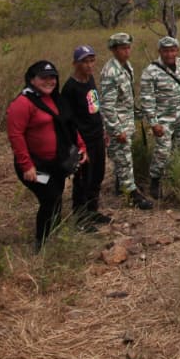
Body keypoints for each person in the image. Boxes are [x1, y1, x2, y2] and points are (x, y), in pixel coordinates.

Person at [7, 60, 88, 250]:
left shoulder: (55, 98)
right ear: (32, 80)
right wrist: (27, 166)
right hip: (35, 167)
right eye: (43, 77)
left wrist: (81, 146)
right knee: (50, 197)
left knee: (57, 195)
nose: (49, 81)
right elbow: (15, 135)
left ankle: (55, 234)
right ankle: (41, 243)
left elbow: (69, 126)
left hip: (56, 163)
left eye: (52, 77)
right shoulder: (23, 102)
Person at [140, 36, 180, 200]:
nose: (169, 54)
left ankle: (175, 178)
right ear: (160, 52)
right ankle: (155, 181)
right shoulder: (151, 71)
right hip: (163, 120)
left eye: (172, 50)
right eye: (165, 51)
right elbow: (147, 99)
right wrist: (153, 123)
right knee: (163, 152)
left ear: (177, 50)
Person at [100, 32, 152, 210]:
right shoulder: (110, 72)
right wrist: (116, 130)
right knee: (124, 159)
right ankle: (132, 195)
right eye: (123, 48)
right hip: (118, 123)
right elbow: (107, 105)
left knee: (123, 157)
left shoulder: (126, 66)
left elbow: (127, 95)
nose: (127, 51)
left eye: (128, 47)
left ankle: (121, 185)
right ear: (114, 50)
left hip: (127, 119)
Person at [61, 45, 111, 228]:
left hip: (97, 136)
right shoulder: (70, 88)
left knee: (98, 175)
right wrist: (77, 145)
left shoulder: (90, 80)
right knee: (83, 179)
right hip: (83, 140)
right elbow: (67, 121)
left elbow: (95, 109)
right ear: (75, 64)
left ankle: (92, 211)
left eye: (91, 61)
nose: (89, 65)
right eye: (84, 62)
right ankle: (81, 219)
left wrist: (103, 130)